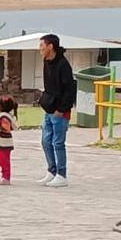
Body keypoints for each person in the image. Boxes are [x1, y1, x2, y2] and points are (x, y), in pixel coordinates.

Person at [38, 34, 76, 187]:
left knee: (58, 142)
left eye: (42, 45)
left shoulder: (63, 64)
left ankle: (62, 174)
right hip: (49, 108)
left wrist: (61, 109)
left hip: (60, 111)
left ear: (50, 46)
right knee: (45, 141)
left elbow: (70, 89)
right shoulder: (46, 61)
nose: (40, 49)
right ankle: (52, 170)